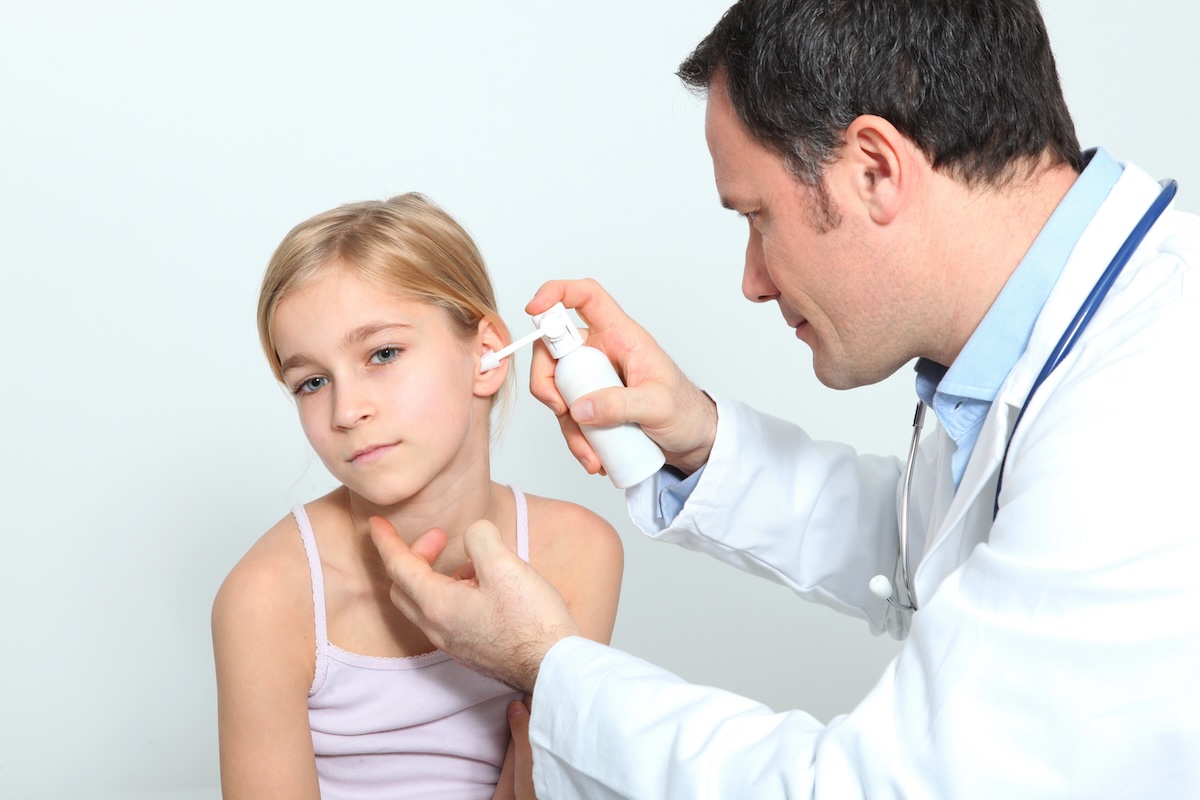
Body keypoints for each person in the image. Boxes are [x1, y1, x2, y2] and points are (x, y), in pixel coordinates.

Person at [368, 1, 1200, 797]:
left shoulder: (1146, 412)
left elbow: (879, 790)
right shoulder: (1052, 356)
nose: (753, 281)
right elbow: (934, 548)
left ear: (875, 169)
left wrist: (546, 667)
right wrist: (698, 439)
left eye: (757, 216)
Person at [210, 192, 623, 799]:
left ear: (487, 355)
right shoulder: (268, 596)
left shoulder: (577, 552)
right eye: (312, 382)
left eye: (383, 354)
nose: (347, 410)